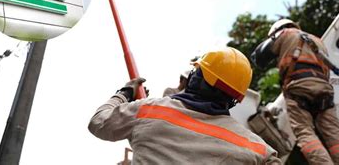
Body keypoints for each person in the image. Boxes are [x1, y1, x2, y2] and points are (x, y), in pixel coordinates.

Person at [88, 47, 281, 164]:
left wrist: (124, 94)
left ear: (198, 78)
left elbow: (99, 122)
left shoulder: (149, 110)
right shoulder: (256, 148)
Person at [250, 19, 339, 165]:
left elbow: (259, 56)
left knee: (305, 133)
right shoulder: (317, 41)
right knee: (335, 133)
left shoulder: (285, 33)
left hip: (298, 88)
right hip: (324, 90)